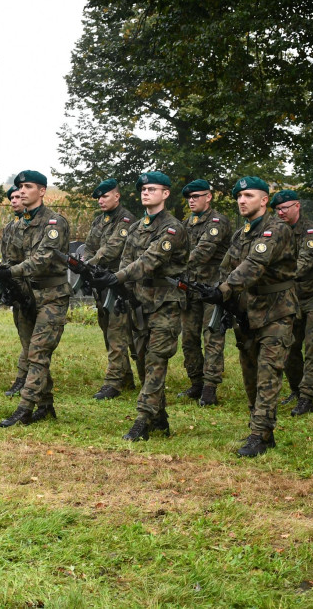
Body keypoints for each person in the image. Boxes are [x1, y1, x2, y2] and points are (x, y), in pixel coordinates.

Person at [202, 176, 297, 457]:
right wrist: (220, 295)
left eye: (250, 196)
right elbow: (227, 265)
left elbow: (254, 265)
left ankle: (258, 434)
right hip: (247, 313)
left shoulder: (276, 230)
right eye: (239, 197)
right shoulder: (241, 233)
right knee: (251, 374)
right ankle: (263, 431)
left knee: (269, 374)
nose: (243, 201)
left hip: (277, 312)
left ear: (264, 200)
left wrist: (225, 289)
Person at [93, 172, 189, 440]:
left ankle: (143, 419)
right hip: (140, 302)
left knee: (156, 360)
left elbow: (150, 260)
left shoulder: (173, 228)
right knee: (144, 361)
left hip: (165, 303)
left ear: (165, 194)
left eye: (152, 189)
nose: (146, 193)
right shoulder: (136, 227)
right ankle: (159, 418)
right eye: (144, 189)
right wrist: (117, 284)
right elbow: (126, 261)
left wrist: (117, 277)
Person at [0, 170, 70, 427]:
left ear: (42, 191)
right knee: (31, 351)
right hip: (24, 296)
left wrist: (9, 271)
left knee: (38, 352)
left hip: (51, 296)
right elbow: (10, 259)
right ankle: (45, 405)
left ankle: (25, 408)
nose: (21, 191)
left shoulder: (55, 223)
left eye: (28, 186)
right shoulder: (14, 225)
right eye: (20, 186)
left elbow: (44, 258)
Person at [270, 190, 313, 416]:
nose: (280, 213)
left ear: (297, 206)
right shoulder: (277, 232)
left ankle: (307, 397)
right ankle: (297, 390)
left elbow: (303, 264)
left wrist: (274, 277)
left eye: (284, 208)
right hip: (294, 295)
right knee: (289, 344)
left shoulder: (312, 231)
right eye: (277, 209)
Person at [177, 179, 232, 406]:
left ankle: (210, 388)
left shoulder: (217, 222)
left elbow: (202, 252)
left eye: (196, 196)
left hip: (212, 289)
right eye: (189, 197)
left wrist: (172, 264)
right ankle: (196, 383)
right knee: (189, 339)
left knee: (212, 338)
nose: (192, 200)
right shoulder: (185, 224)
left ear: (208, 197)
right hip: (190, 289)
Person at [84, 178, 138, 400]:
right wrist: (86, 264)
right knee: (107, 331)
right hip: (100, 285)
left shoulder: (126, 220)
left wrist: (88, 265)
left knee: (117, 333)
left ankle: (113, 382)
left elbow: (113, 249)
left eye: (105, 196)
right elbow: (88, 247)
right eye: (98, 197)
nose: (100, 200)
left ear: (117, 196)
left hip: (118, 285)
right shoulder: (99, 221)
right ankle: (125, 378)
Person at [0, 184, 39, 397]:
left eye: (18, 196)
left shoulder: (39, 223)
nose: (15, 200)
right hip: (18, 286)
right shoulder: (10, 226)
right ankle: (24, 377)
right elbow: (8, 257)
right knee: (24, 334)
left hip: (35, 284)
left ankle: (26, 378)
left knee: (35, 339)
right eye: (12, 197)